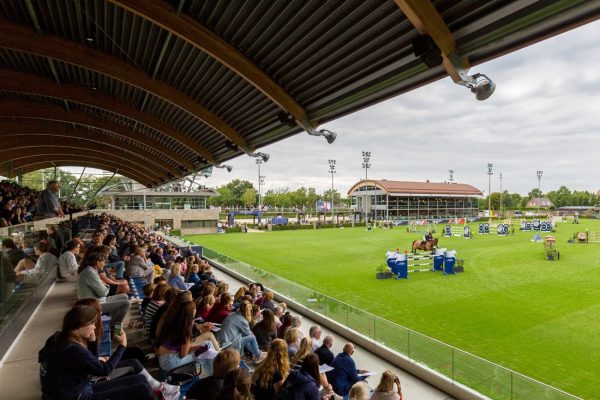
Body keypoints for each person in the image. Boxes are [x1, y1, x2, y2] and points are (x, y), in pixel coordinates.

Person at [38, 305, 158, 400]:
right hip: (76, 396)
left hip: (77, 389)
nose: (95, 327)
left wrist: (93, 341)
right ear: (80, 325)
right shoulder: (72, 349)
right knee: (142, 389)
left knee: (140, 379)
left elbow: (93, 363)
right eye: (92, 323)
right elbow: (104, 370)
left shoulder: (59, 338)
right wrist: (122, 345)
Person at [77, 252, 130, 331]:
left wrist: (103, 284)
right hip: (92, 305)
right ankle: (115, 329)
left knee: (125, 296)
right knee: (126, 303)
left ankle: (113, 322)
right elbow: (103, 292)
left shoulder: (91, 271)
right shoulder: (90, 273)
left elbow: (102, 290)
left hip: (99, 299)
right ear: (98, 263)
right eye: (103, 262)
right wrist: (106, 285)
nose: (104, 264)